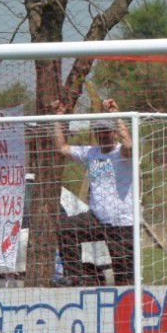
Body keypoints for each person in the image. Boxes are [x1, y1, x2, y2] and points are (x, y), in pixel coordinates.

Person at [52, 98, 134, 286]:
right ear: (96, 134)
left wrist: (116, 114)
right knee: (66, 229)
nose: (104, 136)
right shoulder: (91, 153)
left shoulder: (122, 153)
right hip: (96, 219)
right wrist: (57, 119)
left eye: (107, 132)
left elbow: (129, 145)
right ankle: (74, 276)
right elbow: (62, 148)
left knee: (124, 279)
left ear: (113, 132)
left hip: (121, 225)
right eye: (100, 133)